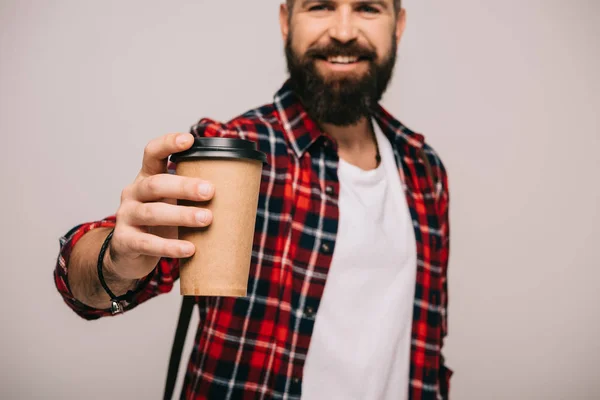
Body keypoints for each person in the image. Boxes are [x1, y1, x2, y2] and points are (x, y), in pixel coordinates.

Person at [53, 0, 452, 398]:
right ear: (285, 21)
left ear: (397, 25)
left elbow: (424, 349)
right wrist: (115, 259)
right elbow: (83, 282)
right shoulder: (234, 155)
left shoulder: (424, 170)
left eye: (368, 8)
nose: (344, 31)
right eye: (321, 7)